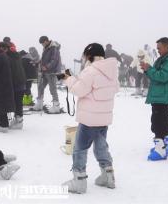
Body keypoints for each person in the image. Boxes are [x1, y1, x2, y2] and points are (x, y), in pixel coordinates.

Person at [61, 43, 119, 194]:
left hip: (89, 119)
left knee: (79, 149)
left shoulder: (91, 71)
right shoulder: (111, 71)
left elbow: (80, 90)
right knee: (101, 147)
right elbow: (114, 89)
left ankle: (79, 181)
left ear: (89, 55)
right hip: (104, 118)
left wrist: (69, 79)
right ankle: (108, 175)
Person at [140, 37, 168, 161]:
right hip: (161, 96)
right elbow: (157, 74)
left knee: (157, 123)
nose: (157, 50)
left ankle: (160, 150)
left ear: (167, 47)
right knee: (163, 121)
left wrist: (150, 69)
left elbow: (163, 76)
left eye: (159, 48)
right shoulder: (163, 59)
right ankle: (167, 146)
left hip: (162, 97)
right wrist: (148, 70)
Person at [0, 40, 26, 129]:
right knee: (18, 102)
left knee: (16, 103)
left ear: (4, 49)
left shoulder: (7, 57)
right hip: (21, 82)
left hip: (15, 83)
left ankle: (18, 122)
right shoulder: (16, 55)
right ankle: (18, 120)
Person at [33, 36, 62, 113]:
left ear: (46, 41)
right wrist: (39, 63)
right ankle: (39, 104)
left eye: (42, 43)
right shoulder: (46, 48)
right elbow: (44, 59)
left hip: (51, 72)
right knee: (40, 87)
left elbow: (54, 60)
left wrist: (47, 66)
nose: (42, 45)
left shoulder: (53, 48)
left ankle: (56, 106)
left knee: (52, 88)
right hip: (45, 72)